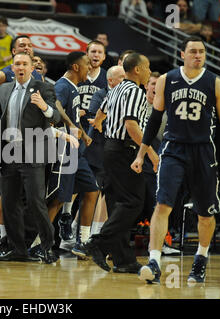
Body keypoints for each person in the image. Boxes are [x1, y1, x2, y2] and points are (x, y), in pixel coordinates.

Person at [131, 36, 220, 284]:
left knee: (205, 213)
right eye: (193, 51)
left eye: (201, 51)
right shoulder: (168, 79)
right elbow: (155, 119)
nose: (198, 55)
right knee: (163, 205)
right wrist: (141, 153)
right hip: (173, 148)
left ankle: (201, 258)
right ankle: (154, 260)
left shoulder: (216, 84)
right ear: (182, 54)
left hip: (203, 151)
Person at [0, 52, 61, 263]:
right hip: (8, 152)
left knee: (35, 202)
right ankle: (18, 249)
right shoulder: (4, 89)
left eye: (24, 64)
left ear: (32, 68)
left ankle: (47, 247)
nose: (20, 67)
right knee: (10, 203)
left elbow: (56, 117)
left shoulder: (44, 88)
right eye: (17, 64)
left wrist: (44, 107)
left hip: (33, 152)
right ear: (12, 68)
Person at [86, 52, 159, 274]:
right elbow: (131, 126)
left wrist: (99, 124)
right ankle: (98, 242)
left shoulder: (116, 88)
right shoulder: (136, 92)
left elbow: (101, 112)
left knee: (117, 203)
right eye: (146, 67)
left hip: (109, 149)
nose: (148, 71)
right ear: (137, 69)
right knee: (133, 202)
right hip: (124, 151)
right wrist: (152, 155)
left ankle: (123, 259)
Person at [45, 51, 99, 258]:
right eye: (86, 63)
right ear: (76, 67)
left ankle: (82, 241)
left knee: (92, 190)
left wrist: (83, 133)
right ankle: (40, 242)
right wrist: (70, 125)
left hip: (77, 152)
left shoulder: (74, 88)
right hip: (63, 151)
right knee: (57, 200)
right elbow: (56, 107)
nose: (90, 67)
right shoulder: (62, 85)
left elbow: (72, 119)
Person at [86, 65, 126, 237]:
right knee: (93, 194)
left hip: (115, 150)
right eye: (122, 78)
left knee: (105, 194)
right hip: (97, 151)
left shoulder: (126, 94)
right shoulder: (100, 94)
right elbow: (95, 120)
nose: (126, 81)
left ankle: (95, 235)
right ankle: (87, 235)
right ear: (110, 80)